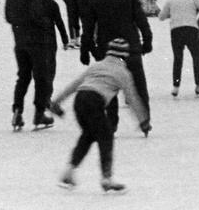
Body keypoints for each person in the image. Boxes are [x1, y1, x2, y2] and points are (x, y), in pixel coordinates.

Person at [49, 37, 150, 193]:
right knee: (106, 136)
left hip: (80, 100)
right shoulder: (123, 72)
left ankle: (69, 172)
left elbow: (74, 85)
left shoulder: (96, 66)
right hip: (95, 101)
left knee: (88, 135)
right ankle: (106, 178)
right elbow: (132, 98)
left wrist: (56, 102)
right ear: (124, 56)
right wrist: (143, 120)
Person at [81, 0, 153, 115]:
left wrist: (86, 50)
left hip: (106, 48)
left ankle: (112, 120)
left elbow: (88, 27)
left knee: (108, 85)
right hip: (130, 45)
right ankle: (145, 117)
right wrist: (147, 41)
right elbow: (141, 20)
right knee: (139, 83)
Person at [4, 0, 55, 130]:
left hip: (20, 42)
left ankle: (17, 111)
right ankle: (39, 113)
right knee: (41, 78)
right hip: (37, 42)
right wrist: (46, 24)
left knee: (23, 77)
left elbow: (9, 17)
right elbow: (38, 17)